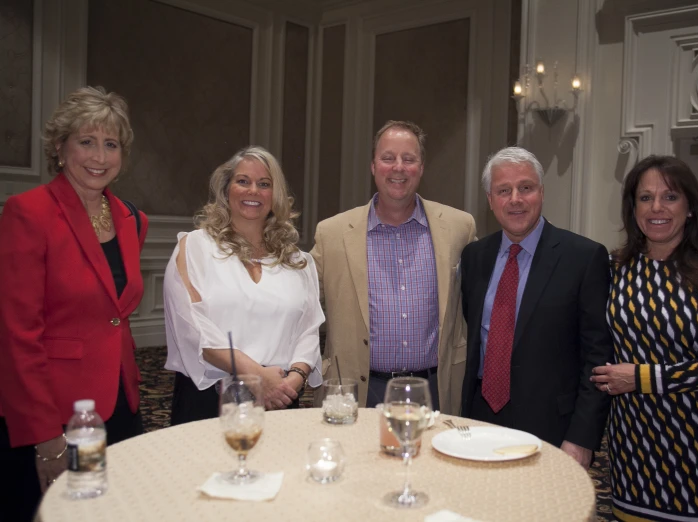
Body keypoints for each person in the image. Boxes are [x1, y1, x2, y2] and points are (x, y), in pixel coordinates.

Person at [0, 86, 148, 520]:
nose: (99, 156)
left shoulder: (131, 219)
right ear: (60, 148)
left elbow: (115, 316)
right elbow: (16, 334)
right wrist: (44, 435)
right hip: (55, 409)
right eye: (86, 141)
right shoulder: (29, 212)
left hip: (121, 400)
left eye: (111, 144)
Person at [591, 155, 698, 521]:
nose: (656, 208)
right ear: (633, 208)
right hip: (634, 445)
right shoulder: (616, 269)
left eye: (670, 197)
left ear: (691, 207)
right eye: (645, 198)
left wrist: (643, 377)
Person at [460, 147, 612, 469]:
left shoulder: (583, 258)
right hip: (480, 418)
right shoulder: (474, 257)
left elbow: (597, 356)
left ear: (541, 193)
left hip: (552, 428)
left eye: (526, 188)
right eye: (504, 190)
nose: (515, 199)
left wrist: (582, 437)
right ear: (490, 199)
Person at [310, 120, 476, 413]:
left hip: (436, 390)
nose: (398, 167)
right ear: (374, 166)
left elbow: (483, 303)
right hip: (358, 392)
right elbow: (301, 308)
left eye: (408, 159)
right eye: (388, 158)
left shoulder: (459, 228)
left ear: (421, 167)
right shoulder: (332, 234)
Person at [163, 146, 324, 424]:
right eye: (243, 181)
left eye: (264, 184)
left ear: (275, 196)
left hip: (280, 396)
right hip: (209, 400)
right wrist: (257, 376)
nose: (253, 191)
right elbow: (192, 328)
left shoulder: (299, 261)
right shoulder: (194, 248)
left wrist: (294, 379)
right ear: (227, 190)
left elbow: (308, 331)